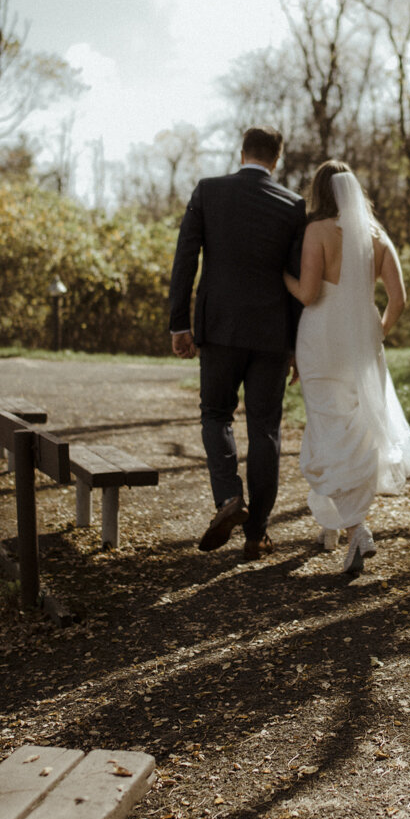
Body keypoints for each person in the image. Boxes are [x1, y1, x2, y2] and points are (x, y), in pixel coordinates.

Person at [167, 125, 308, 559]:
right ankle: (257, 533)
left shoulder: (209, 191)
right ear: (277, 160)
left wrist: (179, 325)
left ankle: (229, 497)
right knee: (264, 428)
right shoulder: (292, 205)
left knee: (215, 414)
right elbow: (297, 279)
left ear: (241, 151)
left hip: (220, 329)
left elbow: (185, 258)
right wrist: (297, 345)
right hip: (271, 335)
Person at [283, 160, 410, 576]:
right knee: (354, 428)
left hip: (321, 340)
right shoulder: (378, 237)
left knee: (326, 425)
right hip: (361, 344)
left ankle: (354, 528)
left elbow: (309, 294)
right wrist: (376, 335)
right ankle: (332, 522)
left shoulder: (317, 232)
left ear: (320, 192)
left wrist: (283, 278)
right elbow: (397, 300)